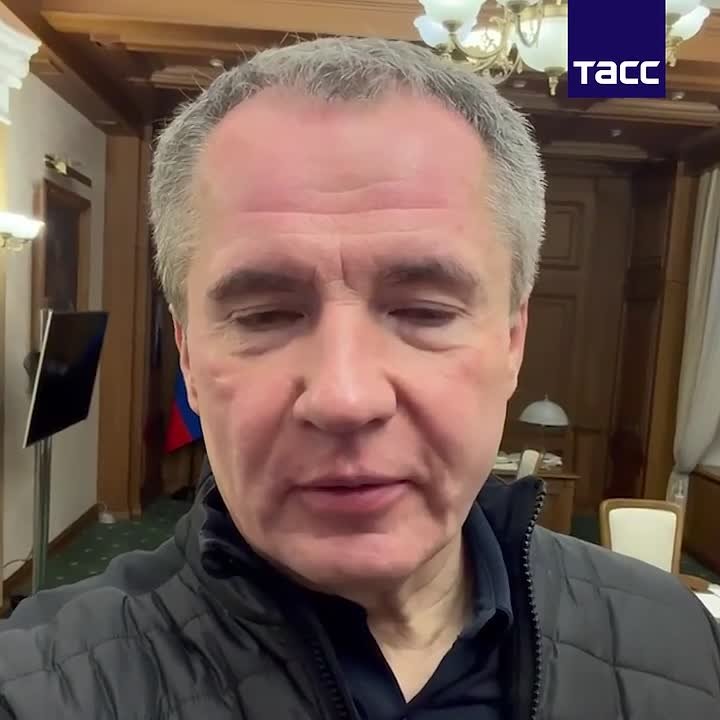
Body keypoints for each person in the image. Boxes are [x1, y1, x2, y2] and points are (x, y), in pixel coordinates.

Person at [0, 37, 718, 720]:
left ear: (512, 341)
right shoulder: (31, 687)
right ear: (188, 356)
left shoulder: (682, 645)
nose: (345, 398)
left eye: (425, 311)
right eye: (265, 315)